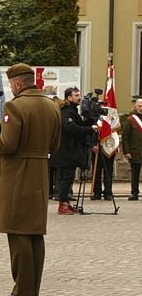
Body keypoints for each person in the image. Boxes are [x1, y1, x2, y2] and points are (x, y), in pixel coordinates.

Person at [0, 62, 62, 296]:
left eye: (11, 85)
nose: (11, 89)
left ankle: (23, 291)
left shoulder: (15, 106)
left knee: (18, 231)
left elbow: (7, 144)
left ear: (18, 83)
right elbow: (55, 145)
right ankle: (32, 290)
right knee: (34, 233)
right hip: (40, 171)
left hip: (18, 174)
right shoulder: (52, 106)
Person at [54, 86, 97, 215]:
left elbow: (79, 126)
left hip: (70, 151)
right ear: (69, 98)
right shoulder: (67, 111)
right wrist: (90, 129)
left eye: (79, 95)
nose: (79, 98)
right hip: (66, 151)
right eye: (76, 95)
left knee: (69, 177)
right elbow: (70, 128)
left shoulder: (73, 111)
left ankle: (66, 202)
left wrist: (90, 121)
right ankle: (62, 205)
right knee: (67, 178)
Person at [122, 98, 142, 200]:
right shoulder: (130, 120)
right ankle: (134, 193)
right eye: (139, 106)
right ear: (135, 107)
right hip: (135, 151)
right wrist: (127, 151)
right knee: (135, 174)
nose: (141, 108)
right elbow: (125, 137)